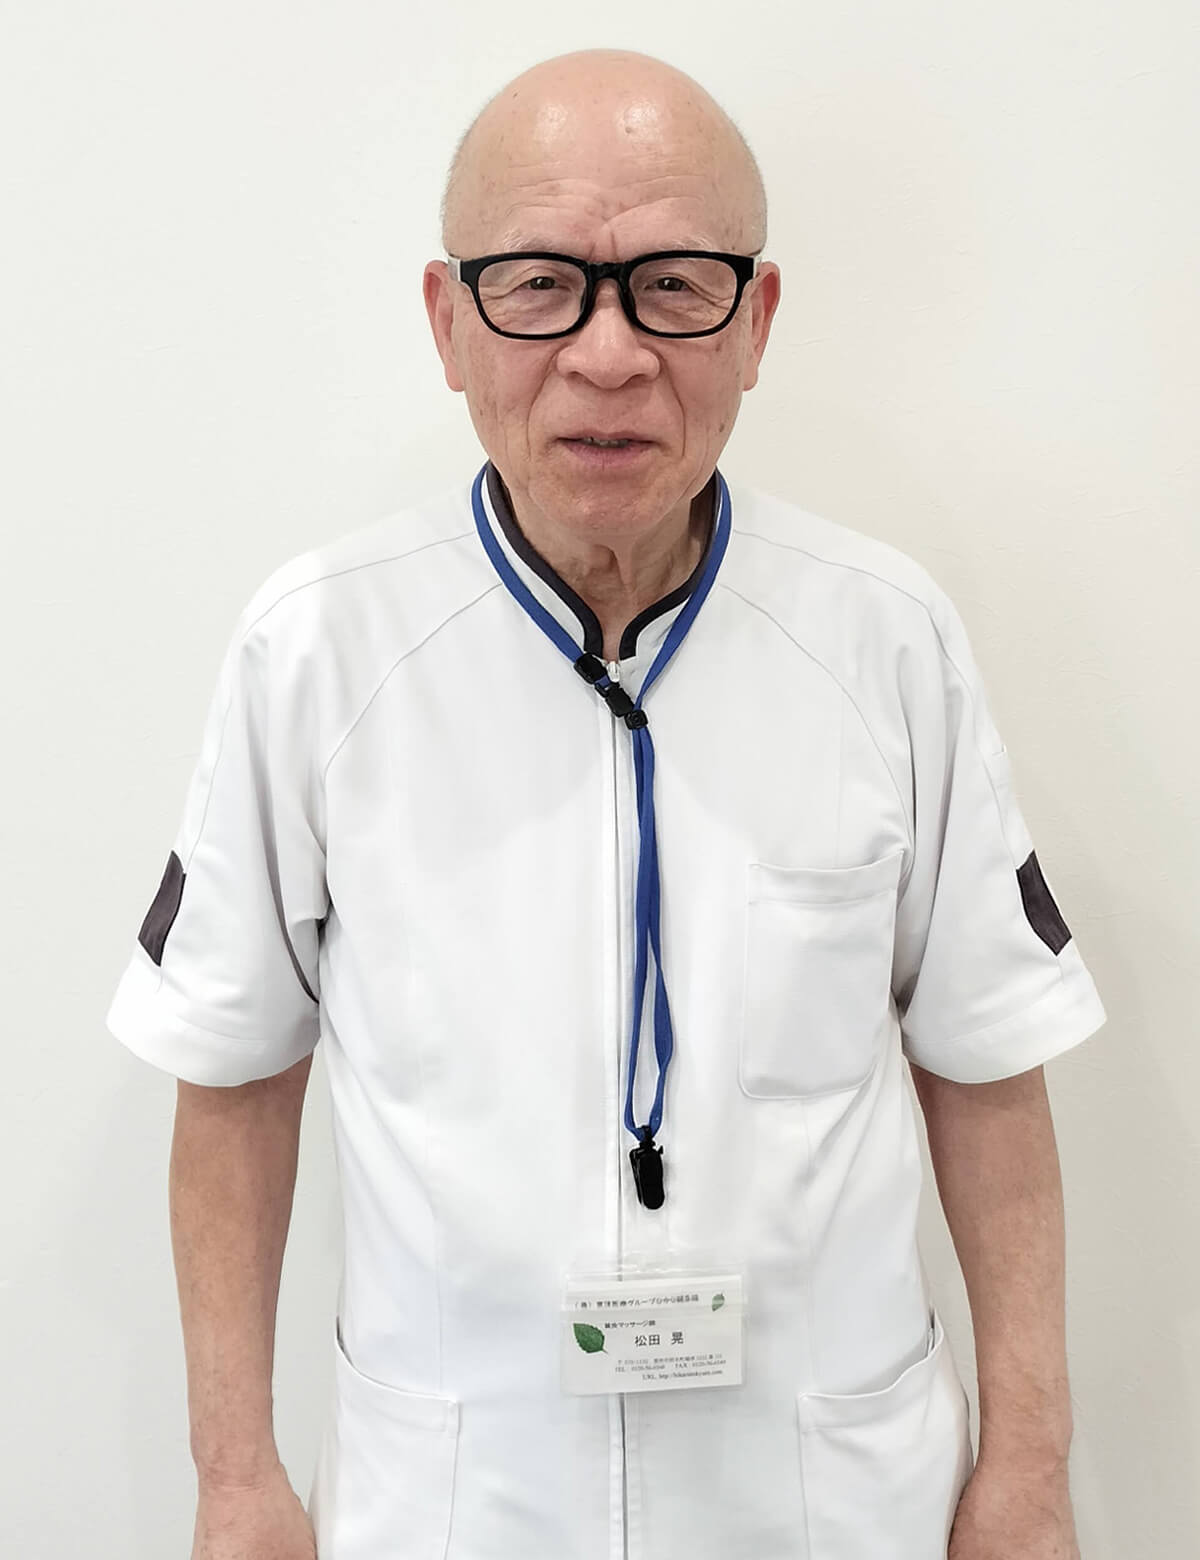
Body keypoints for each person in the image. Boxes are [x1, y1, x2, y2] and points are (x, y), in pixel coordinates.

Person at [105, 47, 1106, 1560]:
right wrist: (236, 1481)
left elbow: (987, 1066)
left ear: (756, 322)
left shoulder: (886, 637)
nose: (609, 354)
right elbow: (233, 1074)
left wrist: (1028, 1466)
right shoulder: (316, 649)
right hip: (457, 1503)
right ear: (447, 321)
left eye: (674, 286)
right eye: (540, 285)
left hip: (827, 1499)